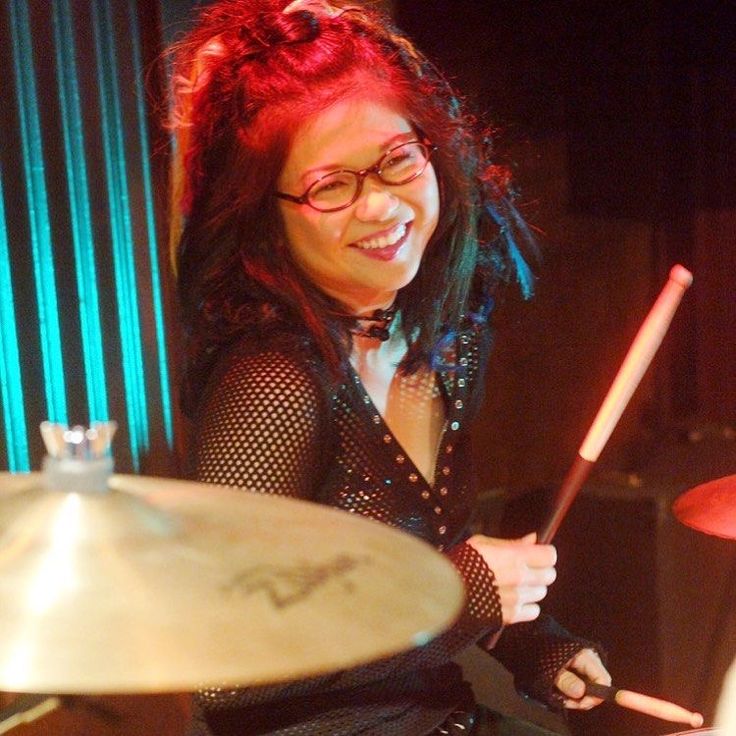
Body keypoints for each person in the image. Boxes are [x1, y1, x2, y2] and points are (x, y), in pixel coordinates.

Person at [167, 1, 611, 734]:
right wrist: (458, 591)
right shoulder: (273, 382)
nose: (380, 206)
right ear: (265, 214)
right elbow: (223, 667)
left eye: (397, 159)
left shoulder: (439, 341)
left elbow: (431, 588)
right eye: (330, 186)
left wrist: (531, 644)